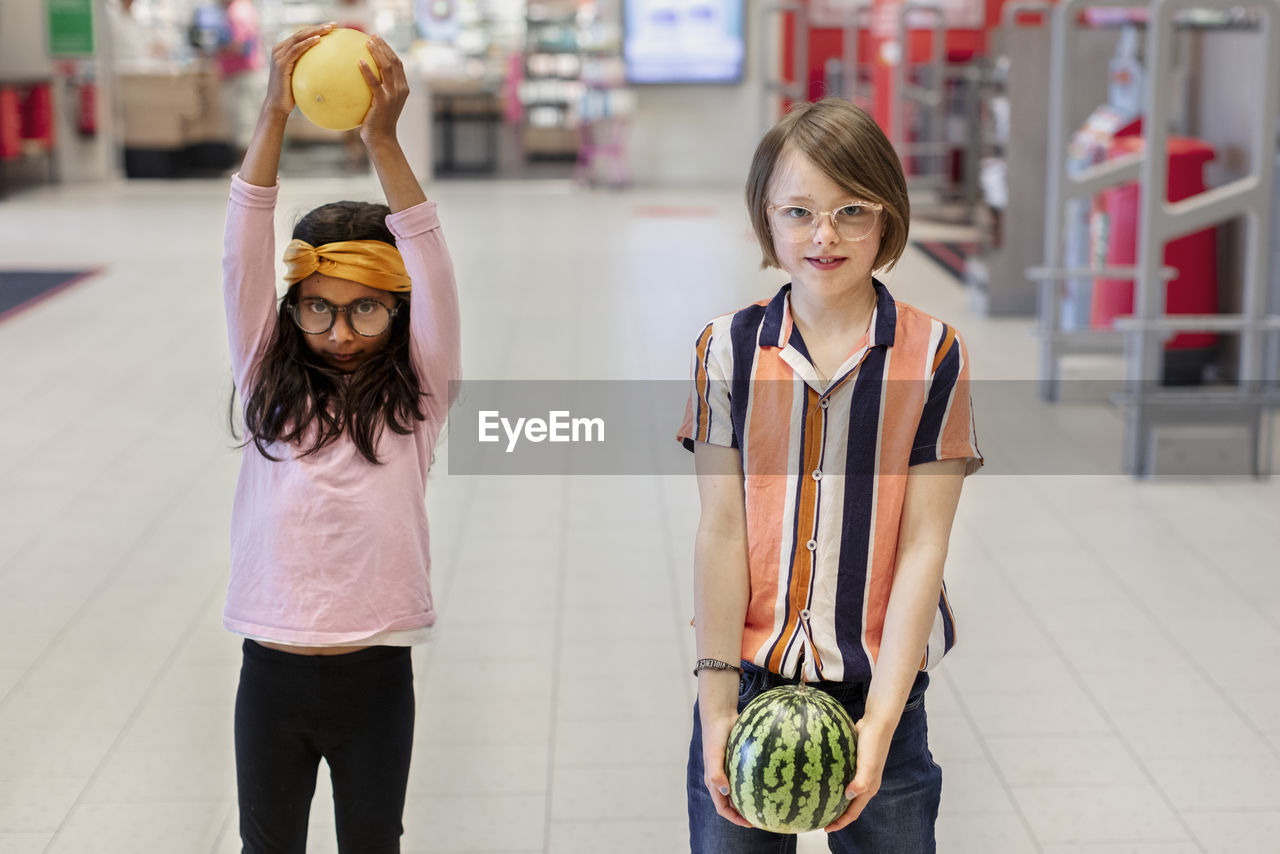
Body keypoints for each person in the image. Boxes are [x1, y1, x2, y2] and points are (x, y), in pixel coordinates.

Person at [677, 97, 982, 853]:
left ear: (888, 217)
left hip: (881, 686)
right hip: (749, 681)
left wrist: (879, 724)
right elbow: (720, 531)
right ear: (765, 220)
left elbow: (922, 548)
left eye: (852, 210)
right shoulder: (726, 350)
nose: (824, 236)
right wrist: (717, 710)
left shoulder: (934, 354)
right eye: (798, 211)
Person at [222, 23, 460, 852]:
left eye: (366, 307)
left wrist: (382, 142)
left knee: (373, 843)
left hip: (375, 676)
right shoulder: (265, 376)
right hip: (271, 671)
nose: (341, 330)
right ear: (292, 309)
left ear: (397, 311)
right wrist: (271, 118)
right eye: (318, 306)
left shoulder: (419, 391)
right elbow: (243, 248)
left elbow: (428, 259)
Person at [217, 0, 266, 155]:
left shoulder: (237, 10)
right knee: (249, 126)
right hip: (246, 75)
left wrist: (217, 50)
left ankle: (247, 173)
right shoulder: (243, 8)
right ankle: (249, 173)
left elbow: (240, 44)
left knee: (246, 125)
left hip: (244, 77)